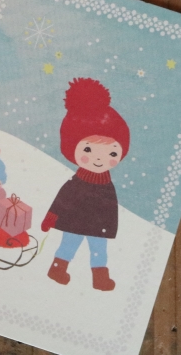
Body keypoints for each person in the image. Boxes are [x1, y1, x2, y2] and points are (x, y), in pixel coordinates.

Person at [41, 78, 130, 291]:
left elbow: (109, 207)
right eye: (88, 150)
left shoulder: (107, 185)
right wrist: (51, 216)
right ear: (73, 150)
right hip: (74, 220)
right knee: (69, 244)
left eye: (111, 152)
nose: (99, 159)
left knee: (99, 249)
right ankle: (57, 268)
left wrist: (108, 225)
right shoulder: (76, 183)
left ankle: (100, 277)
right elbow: (64, 199)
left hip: (98, 225)